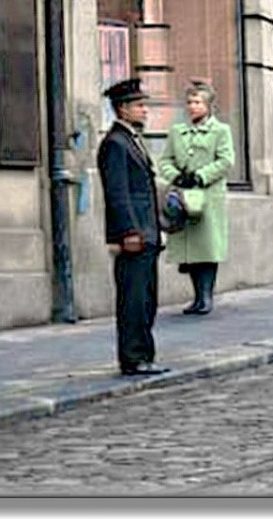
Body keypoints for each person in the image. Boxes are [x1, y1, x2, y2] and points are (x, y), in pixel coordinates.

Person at [97, 79, 166, 376]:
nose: (144, 110)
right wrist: (129, 232)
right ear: (122, 109)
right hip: (134, 235)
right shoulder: (115, 143)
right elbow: (118, 194)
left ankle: (144, 354)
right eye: (139, 105)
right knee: (134, 301)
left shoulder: (132, 140)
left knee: (147, 299)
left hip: (148, 232)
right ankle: (134, 357)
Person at [157, 79, 235, 316]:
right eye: (190, 102)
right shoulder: (177, 132)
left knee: (207, 249)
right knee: (189, 251)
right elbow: (165, 160)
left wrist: (201, 176)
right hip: (183, 197)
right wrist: (176, 176)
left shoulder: (220, 131)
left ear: (208, 105)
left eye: (198, 102)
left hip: (208, 197)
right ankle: (196, 296)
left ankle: (206, 296)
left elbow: (226, 160)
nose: (192, 106)